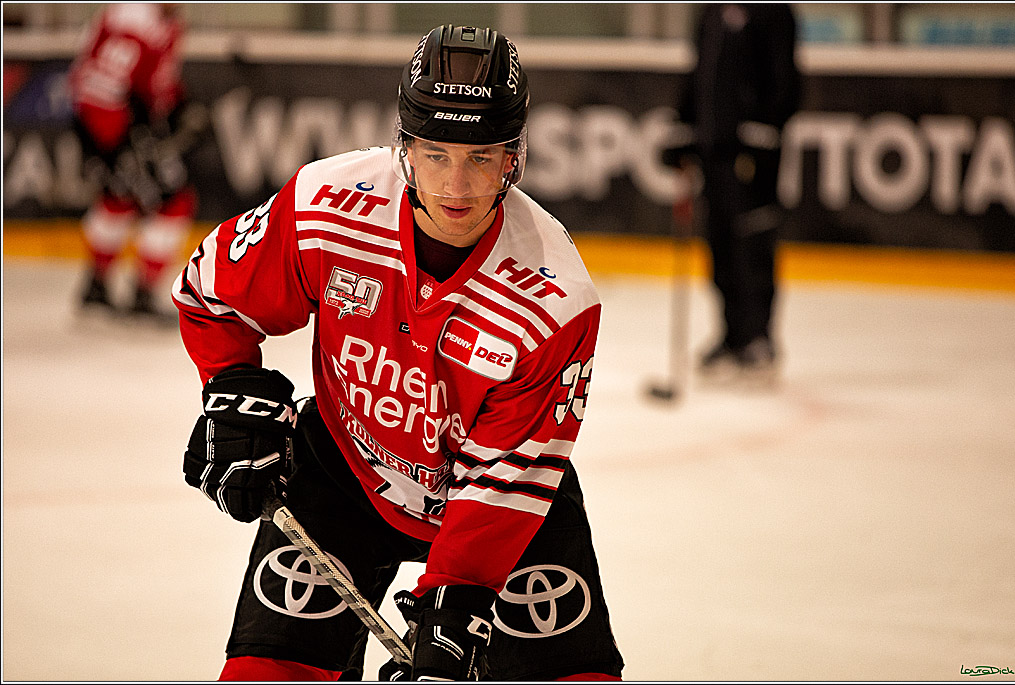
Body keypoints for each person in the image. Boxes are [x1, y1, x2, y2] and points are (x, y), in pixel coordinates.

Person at [174, 24, 625, 681]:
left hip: (504, 506)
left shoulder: (553, 298)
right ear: (404, 146)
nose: (457, 184)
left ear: (514, 157)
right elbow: (211, 293)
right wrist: (233, 388)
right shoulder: (327, 208)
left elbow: (505, 481)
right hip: (342, 473)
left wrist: (456, 604)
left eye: (481, 155)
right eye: (436, 154)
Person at [668, 3, 801, 378]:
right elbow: (698, 75)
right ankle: (731, 335)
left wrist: (762, 136)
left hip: (752, 158)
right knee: (721, 244)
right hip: (714, 154)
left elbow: (786, 81)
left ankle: (757, 338)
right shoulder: (712, 11)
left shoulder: (772, 11)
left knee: (752, 245)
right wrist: (684, 130)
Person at [69, 3, 198, 319]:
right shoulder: (151, 23)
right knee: (175, 202)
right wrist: (122, 138)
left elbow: (86, 66)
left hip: (95, 121)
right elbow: (134, 85)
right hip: (119, 122)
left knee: (118, 198)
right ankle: (142, 292)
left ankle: (96, 285)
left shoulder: (118, 13)